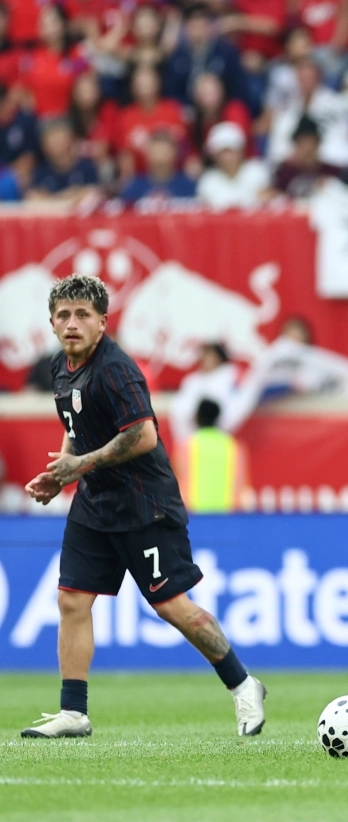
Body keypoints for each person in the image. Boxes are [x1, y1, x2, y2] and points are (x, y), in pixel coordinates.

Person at [21, 275, 266, 739]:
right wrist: (61, 473)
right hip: (95, 503)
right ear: (51, 322)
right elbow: (75, 426)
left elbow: (143, 435)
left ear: (102, 322)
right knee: (71, 599)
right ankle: (73, 712)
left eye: (83, 315)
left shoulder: (116, 370)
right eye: (63, 315)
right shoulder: (60, 366)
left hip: (144, 505)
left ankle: (242, 683)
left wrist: (79, 466)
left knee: (172, 607)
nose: (72, 323)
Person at [174, 399, 248, 513]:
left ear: (197, 417)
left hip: (194, 515)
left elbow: (176, 482)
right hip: (227, 515)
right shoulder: (233, 446)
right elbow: (241, 484)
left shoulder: (187, 446)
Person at [196, 121, 270, 210]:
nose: (227, 157)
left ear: (240, 151)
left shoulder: (256, 171)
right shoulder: (208, 180)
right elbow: (205, 209)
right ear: (214, 156)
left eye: (231, 151)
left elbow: (268, 201)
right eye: (223, 153)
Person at [26, 118, 100, 201]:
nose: (55, 143)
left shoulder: (86, 168)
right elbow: (33, 195)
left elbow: (93, 192)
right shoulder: (40, 171)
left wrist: (50, 197)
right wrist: (70, 195)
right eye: (50, 139)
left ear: (70, 139)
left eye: (59, 137)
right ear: (43, 146)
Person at [269, 115, 339, 199]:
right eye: (302, 143)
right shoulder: (284, 172)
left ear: (318, 144)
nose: (307, 148)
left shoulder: (332, 172)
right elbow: (273, 194)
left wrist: (330, 186)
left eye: (310, 143)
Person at [119, 130, 196, 205]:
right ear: (147, 154)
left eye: (164, 151)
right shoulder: (134, 186)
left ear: (175, 153)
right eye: (156, 150)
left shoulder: (188, 186)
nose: (160, 155)